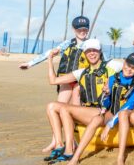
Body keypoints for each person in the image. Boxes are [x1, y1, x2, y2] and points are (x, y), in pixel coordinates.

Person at [20, 15, 90, 153]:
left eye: (84, 29)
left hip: (80, 81)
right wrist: (29, 64)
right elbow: (49, 53)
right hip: (65, 80)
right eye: (79, 29)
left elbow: (104, 62)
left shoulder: (91, 44)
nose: (82, 31)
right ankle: (55, 141)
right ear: (73, 29)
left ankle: (73, 141)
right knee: (57, 109)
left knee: (74, 111)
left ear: (87, 29)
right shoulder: (66, 44)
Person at [96, 52, 134, 165]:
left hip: (129, 114)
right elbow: (106, 104)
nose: (129, 69)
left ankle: (120, 158)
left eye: (133, 68)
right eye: (128, 65)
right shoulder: (113, 78)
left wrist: (109, 124)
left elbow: (129, 105)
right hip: (113, 113)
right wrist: (106, 94)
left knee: (123, 114)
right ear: (124, 63)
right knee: (97, 118)